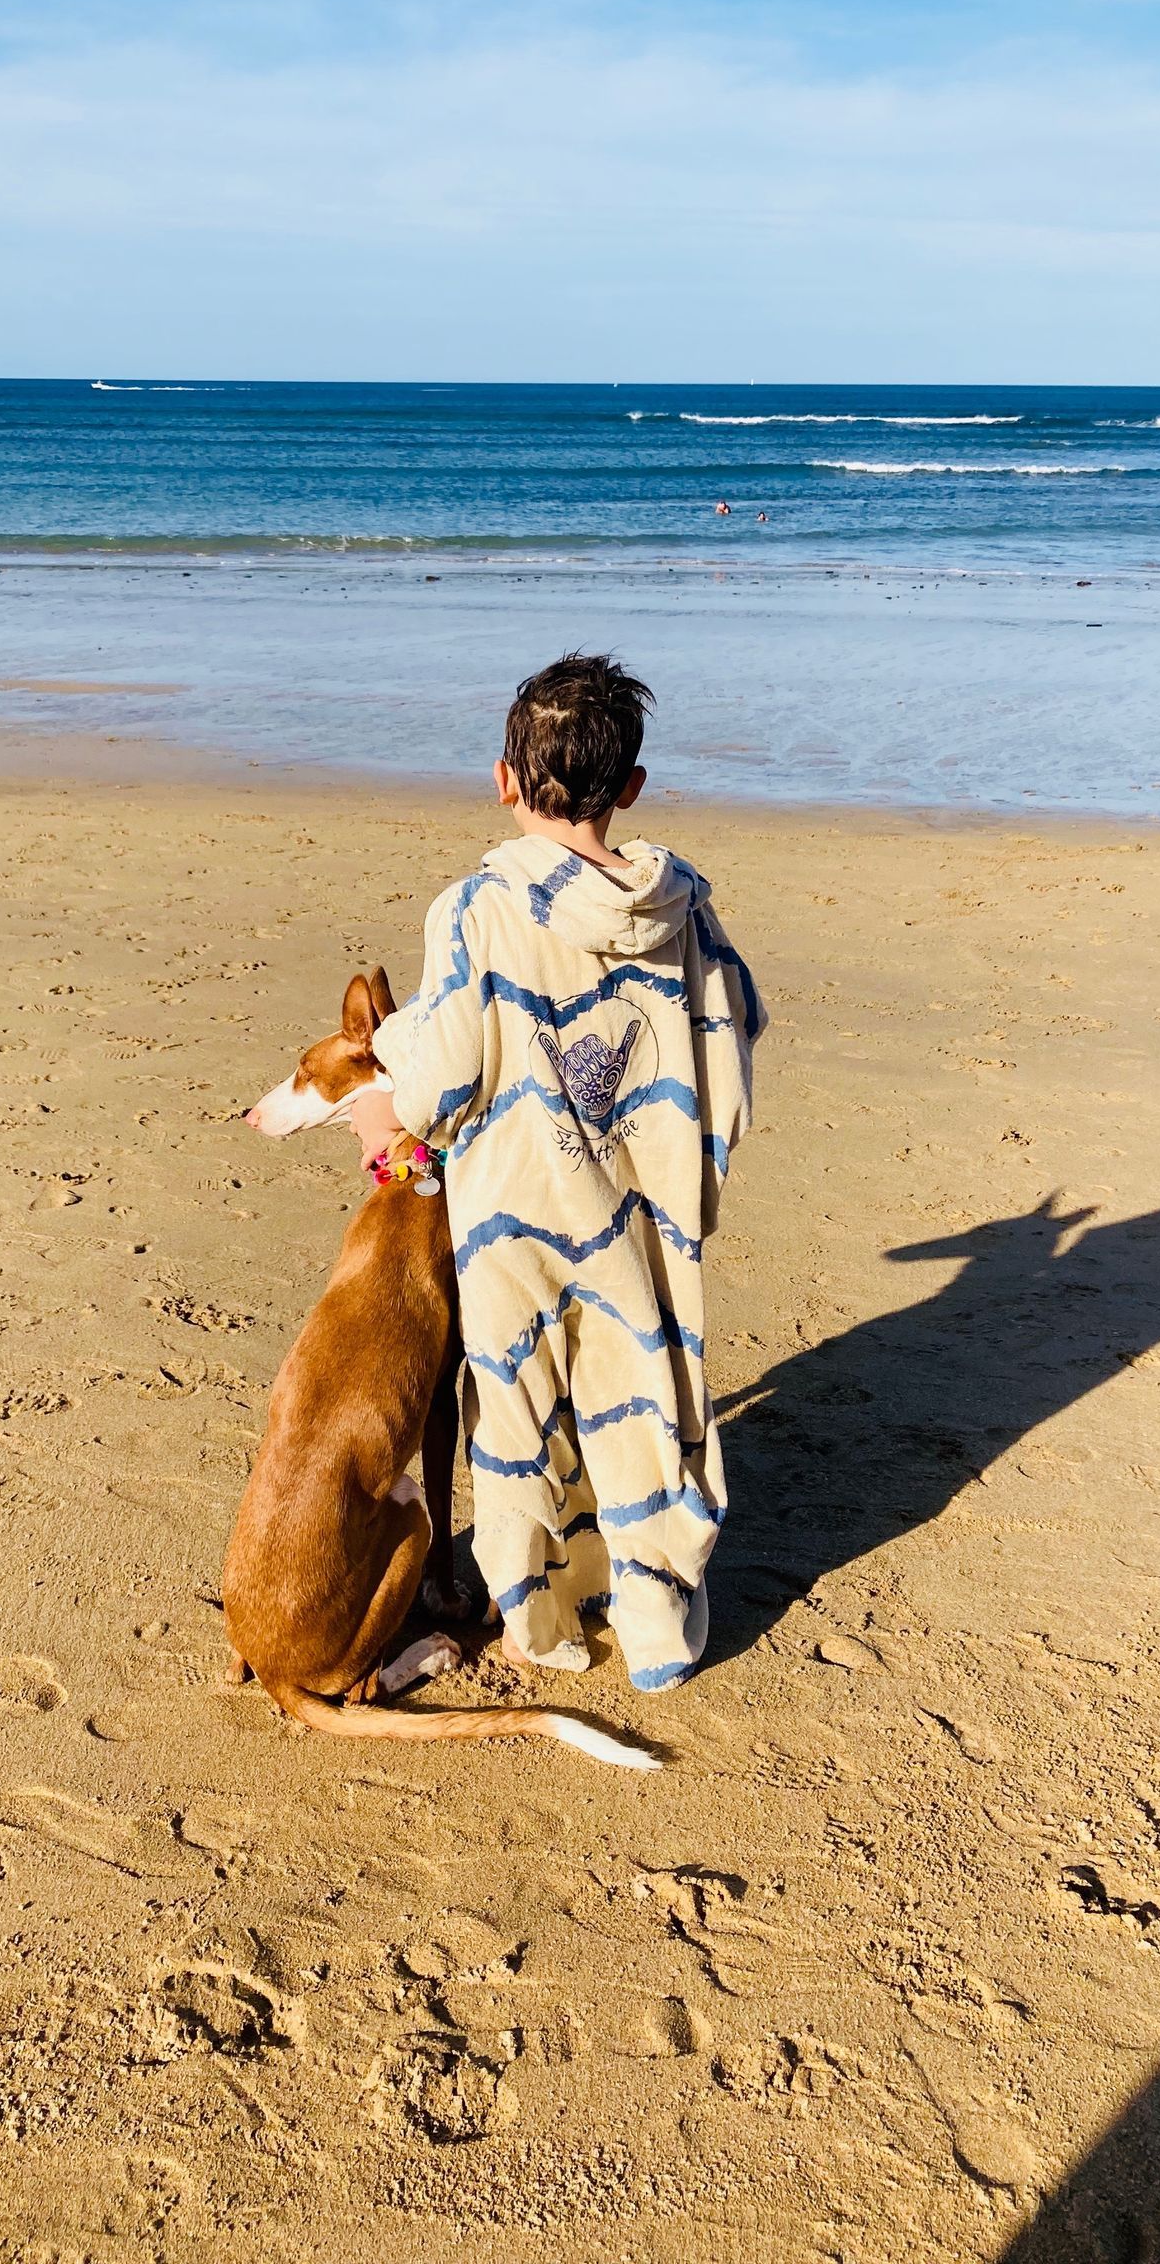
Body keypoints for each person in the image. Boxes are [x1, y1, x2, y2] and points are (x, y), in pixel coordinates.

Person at [349, 654, 764, 1693]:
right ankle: (660, 1628)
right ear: (628, 787)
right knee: (640, 1399)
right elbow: (731, 1032)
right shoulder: (685, 914)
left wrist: (376, 1101)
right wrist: (694, 1158)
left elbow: (440, 1068)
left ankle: (540, 1618)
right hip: (639, 1204)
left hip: (515, 1217)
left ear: (502, 779)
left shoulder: (478, 910)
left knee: (519, 1407)